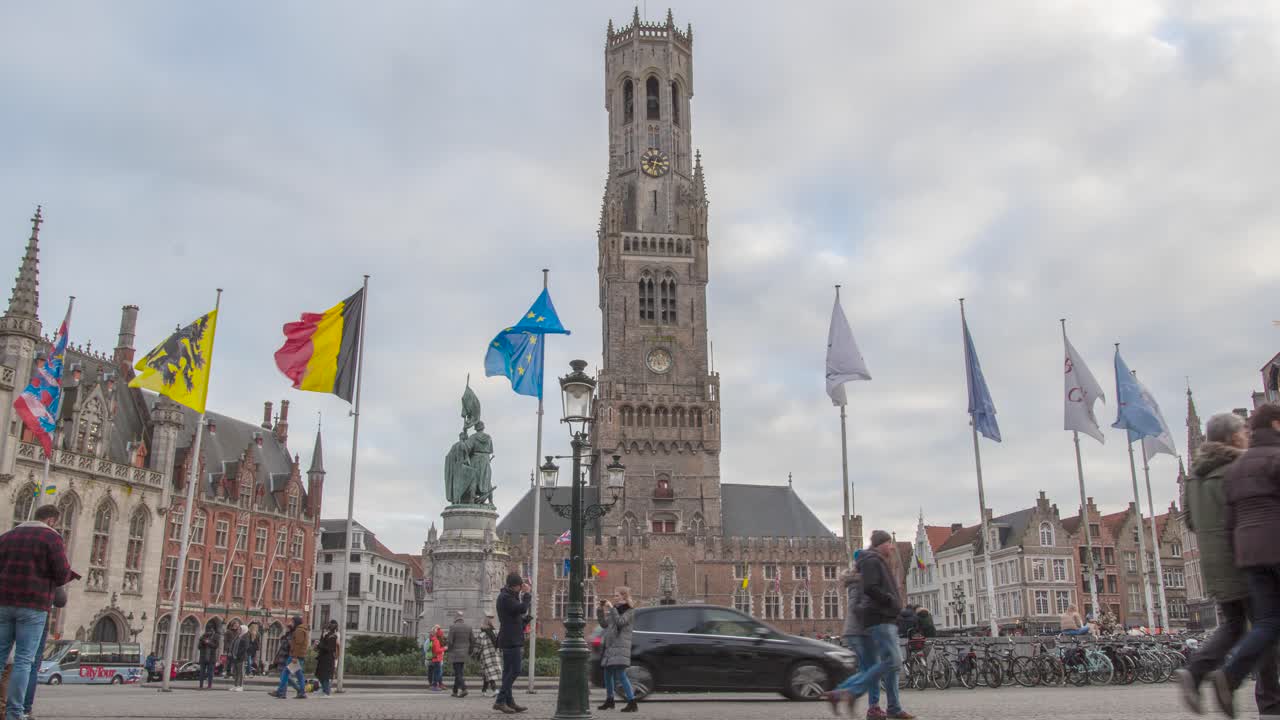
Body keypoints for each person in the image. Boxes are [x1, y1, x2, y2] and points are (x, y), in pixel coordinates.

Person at [1180, 411, 1280, 715]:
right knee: (1267, 626)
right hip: (1241, 557)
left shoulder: (1194, 476)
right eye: (1242, 432)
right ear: (1232, 437)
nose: (1247, 436)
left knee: (1236, 625)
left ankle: (1196, 671)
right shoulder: (1236, 467)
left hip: (1212, 564)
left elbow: (1191, 521)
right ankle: (1268, 700)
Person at [0, 504, 76, 720]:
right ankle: (16, 712)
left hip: (3, 604)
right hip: (34, 605)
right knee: (24, 661)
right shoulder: (52, 539)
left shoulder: (7, 536)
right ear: (51, 520)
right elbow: (62, 574)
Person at [827, 531, 914, 719]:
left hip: (871, 626)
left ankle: (888, 706)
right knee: (884, 665)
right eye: (888, 543)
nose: (891, 547)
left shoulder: (871, 568)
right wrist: (889, 603)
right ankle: (855, 696)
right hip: (863, 630)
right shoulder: (865, 573)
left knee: (886, 666)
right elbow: (860, 605)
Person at [494, 572, 532, 714]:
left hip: (511, 637)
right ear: (515, 585)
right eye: (520, 586)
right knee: (515, 670)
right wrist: (527, 594)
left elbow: (513, 617)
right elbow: (521, 608)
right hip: (511, 640)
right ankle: (500, 700)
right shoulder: (505, 597)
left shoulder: (509, 596)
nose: (521, 588)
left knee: (508, 672)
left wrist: (524, 621)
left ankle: (509, 701)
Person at [597, 586, 638, 712]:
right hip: (611, 645)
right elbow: (604, 624)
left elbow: (621, 622)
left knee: (620, 673)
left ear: (624, 596)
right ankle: (610, 700)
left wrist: (611, 608)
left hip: (620, 646)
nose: (614, 597)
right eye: (614, 595)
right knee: (607, 673)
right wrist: (600, 610)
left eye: (616, 595)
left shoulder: (629, 611)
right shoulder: (615, 610)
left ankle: (632, 702)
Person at [269, 614, 309, 699]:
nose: (292, 623)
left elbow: (297, 644)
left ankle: (281, 691)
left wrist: (294, 657)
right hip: (299, 656)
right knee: (299, 675)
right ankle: (301, 692)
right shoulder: (302, 630)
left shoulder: (299, 631)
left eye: (293, 621)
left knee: (286, 672)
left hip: (295, 656)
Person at [473, 612, 502, 697]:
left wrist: (474, 654)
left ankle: (495, 689)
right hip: (495, 656)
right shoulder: (495, 632)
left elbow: (477, 646)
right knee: (488, 673)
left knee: (489, 673)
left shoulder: (482, 634)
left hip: (486, 657)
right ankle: (484, 690)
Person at [446, 611, 472, 697]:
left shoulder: (453, 627)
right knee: (459, 671)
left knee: (458, 673)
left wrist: (448, 650)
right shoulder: (468, 627)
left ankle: (464, 688)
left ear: (455, 618)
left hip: (455, 653)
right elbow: (473, 640)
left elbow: (449, 641)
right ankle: (455, 691)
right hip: (464, 654)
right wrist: (469, 651)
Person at [314, 619, 339, 698]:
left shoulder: (333, 636)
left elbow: (330, 648)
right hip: (322, 657)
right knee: (319, 674)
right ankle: (324, 689)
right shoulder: (325, 635)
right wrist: (318, 644)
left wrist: (319, 645)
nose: (325, 629)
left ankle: (327, 692)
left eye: (328, 626)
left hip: (328, 658)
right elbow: (322, 644)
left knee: (326, 676)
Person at [228, 624, 250, 692]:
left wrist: (238, 654)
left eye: (240, 629)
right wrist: (231, 653)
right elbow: (234, 645)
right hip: (235, 657)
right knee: (236, 672)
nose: (238, 630)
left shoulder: (245, 637)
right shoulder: (238, 637)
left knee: (240, 672)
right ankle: (235, 685)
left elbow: (244, 648)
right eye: (239, 629)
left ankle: (240, 686)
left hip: (241, 657)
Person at [426, 625, 446, 691]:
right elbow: (437, 650)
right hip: (437, 659)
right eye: (442, 635)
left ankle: (435, 685)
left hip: (436, 659)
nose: (442, 636)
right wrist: (444, 648)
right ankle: (434, 686)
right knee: (437, 673)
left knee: (436, 673)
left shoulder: (434, 639)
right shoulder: (436, 640)